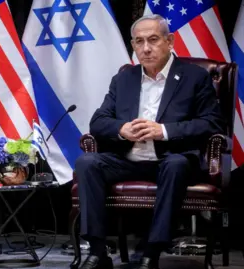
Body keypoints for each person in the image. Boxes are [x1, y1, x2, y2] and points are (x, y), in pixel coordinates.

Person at [75, 14, 224, 269]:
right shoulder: (123, 79)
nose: (146, 48)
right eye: (139, 42)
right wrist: (122, 129)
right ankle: (98, 252)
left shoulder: (195, 77)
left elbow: (211, 123)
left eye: (153, 40)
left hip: (171, 159)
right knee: (87, 162)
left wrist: (163, 131)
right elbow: (98, 121)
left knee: (176, 164)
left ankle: (151, 253)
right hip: (129, 159)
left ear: (170, 41)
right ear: (133, 45)